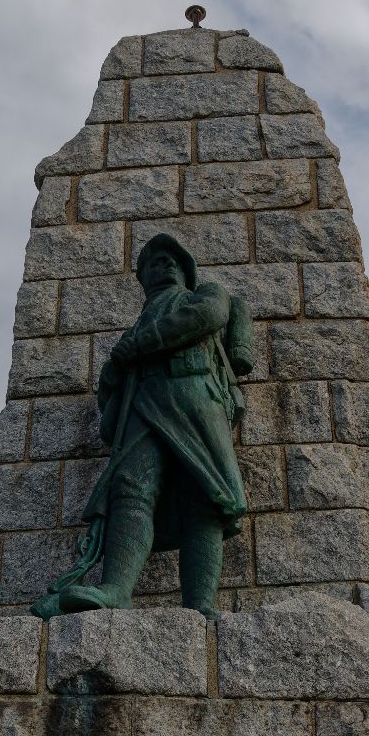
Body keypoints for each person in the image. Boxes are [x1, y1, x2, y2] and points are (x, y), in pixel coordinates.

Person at [37, 232, 253, 618]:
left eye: (171, 260)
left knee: (205, 495)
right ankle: (116, 589)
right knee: (130, 490)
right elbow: (110, 385)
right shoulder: (132, 332)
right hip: (145, 405)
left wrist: (136, 348)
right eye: (154, 263)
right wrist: (116, 369)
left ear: (187, 272)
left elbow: (208, 318)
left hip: (194, 396)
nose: (164, 266)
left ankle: (201, 604)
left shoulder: (205, 295)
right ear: (144, 279)